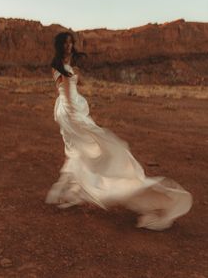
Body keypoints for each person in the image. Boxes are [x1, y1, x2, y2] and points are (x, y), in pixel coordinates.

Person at [45, 31, 193, 231]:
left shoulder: (66, 66)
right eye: (66, 43)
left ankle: (75, 187)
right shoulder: (58, 66)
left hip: (70, 109)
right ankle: (85, 186)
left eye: (71, 43)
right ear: (60, 45)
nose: (69, 46)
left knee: (79, 150)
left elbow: (76, 84)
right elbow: (66, 91)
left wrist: (76, 77)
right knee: (87, 147)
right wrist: (74, 113)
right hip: (70, 111)